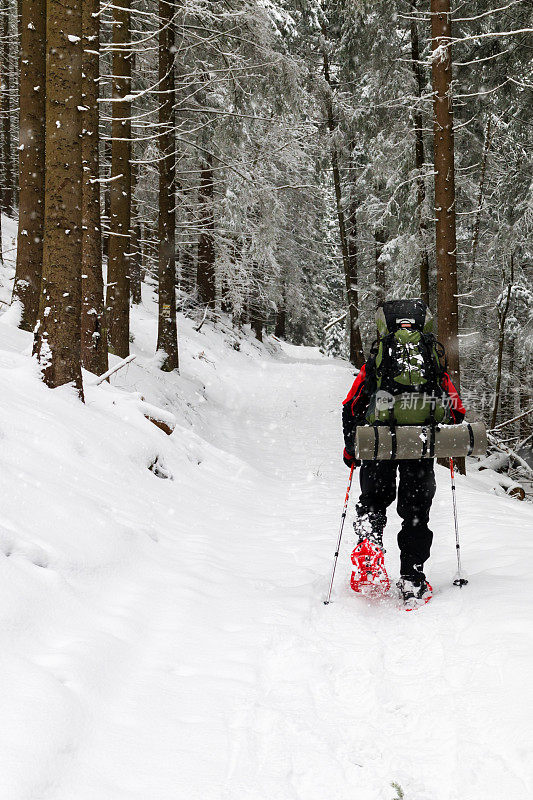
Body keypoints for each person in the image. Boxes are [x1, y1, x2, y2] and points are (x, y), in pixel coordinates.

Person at [341, 299, 466, 604]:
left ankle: (369, 552)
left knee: (373, 501)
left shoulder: (378, 359)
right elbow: (456, 411)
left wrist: (351, 449)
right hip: (419, 446)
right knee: (415, 515)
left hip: (379, 443)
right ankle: (412, 579)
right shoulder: (432, 358)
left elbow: (351, 405)